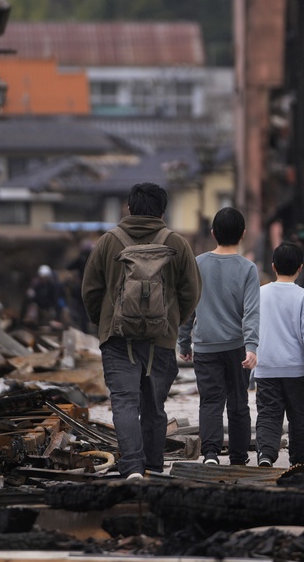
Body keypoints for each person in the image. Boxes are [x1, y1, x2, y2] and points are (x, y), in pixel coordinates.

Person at [82, 182, 201, 479]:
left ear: (130, 208)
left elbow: (90, 291)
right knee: (154, 407)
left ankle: (133, 469)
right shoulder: (177, 243)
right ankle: (154, 468)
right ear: (162, 210)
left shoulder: (108, 242)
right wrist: (171, 323)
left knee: (124, 403)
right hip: (161, 340)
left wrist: (106, 322)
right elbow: (192, 292)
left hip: (118, 338)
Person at [178, 207, 260, 466]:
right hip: (237, 348)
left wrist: (184, 340)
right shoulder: (248, 269)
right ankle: (238, 457)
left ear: (213, 233)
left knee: (210, 402)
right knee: (238, 402)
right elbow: (252, 312)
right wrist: (252, 346)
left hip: (205, 347)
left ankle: (210, 454)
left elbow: (186, 306)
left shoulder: (197, 263)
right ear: (243, 234)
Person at [253, 242, 304, 470]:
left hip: (266, 368)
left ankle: (265, 454)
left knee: (268, 416)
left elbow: (249, 329)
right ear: (300, 268)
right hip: (296, 371)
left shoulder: (260, 294)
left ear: (273, 266)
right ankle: (299, 461)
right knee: (300, 417)